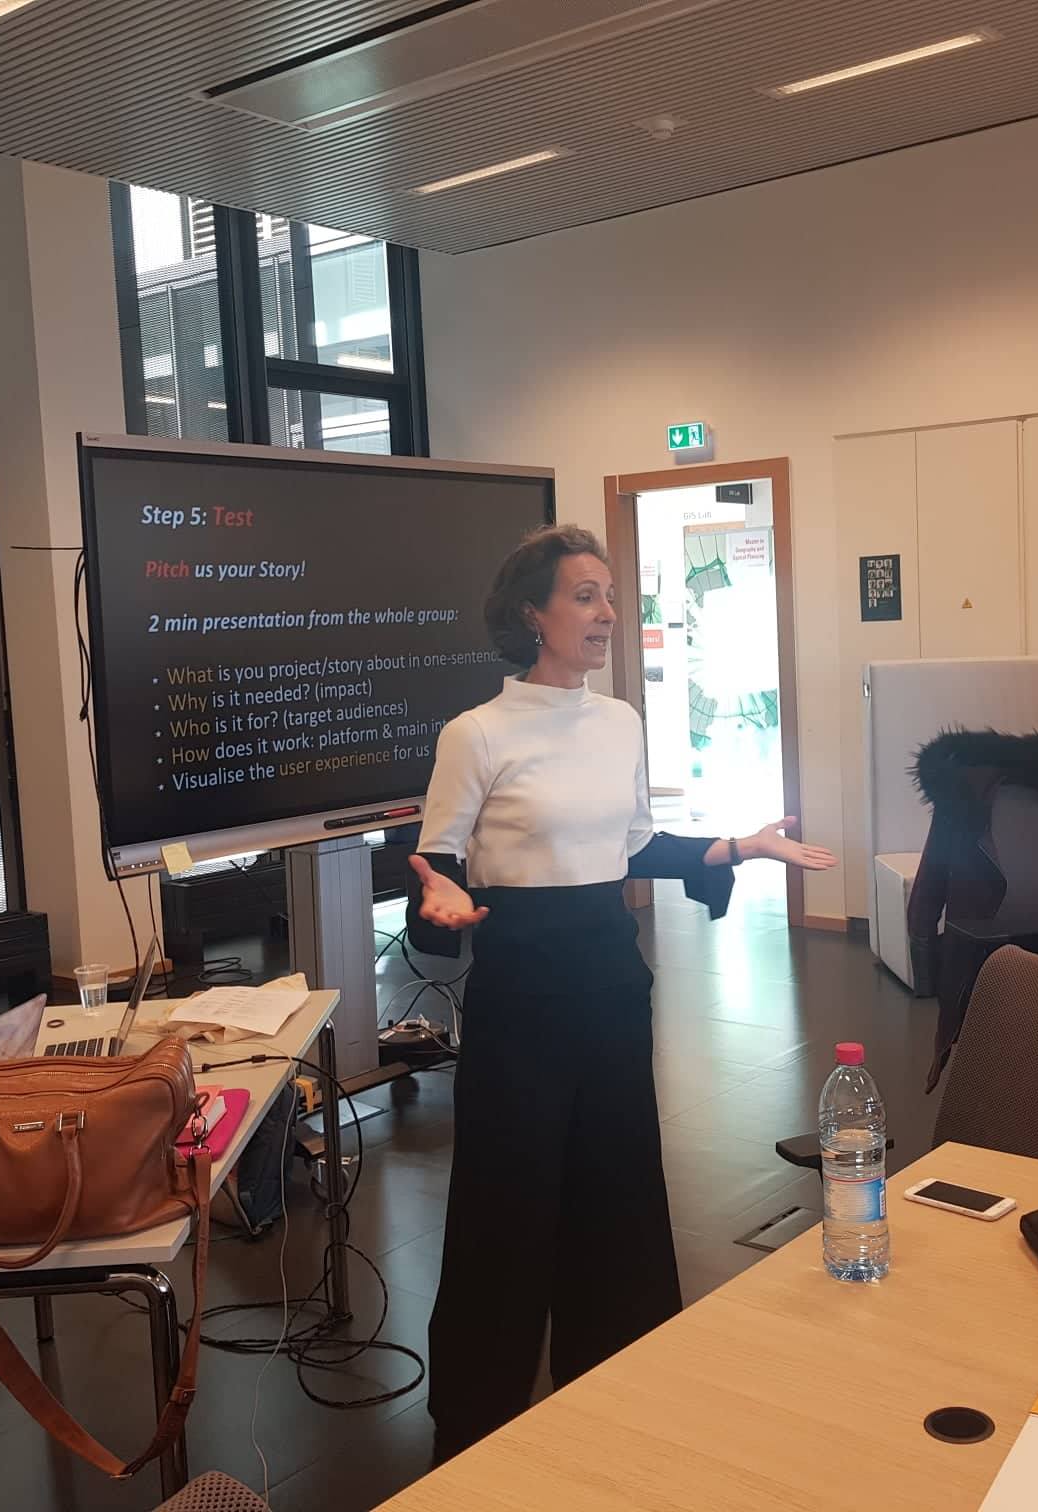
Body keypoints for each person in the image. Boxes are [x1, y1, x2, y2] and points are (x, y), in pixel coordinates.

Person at [406, 523, 835, 1460]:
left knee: (619, 1194)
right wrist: (439, 901)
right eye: (585, 596)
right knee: (506, 1206)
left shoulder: (620, 722)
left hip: (609, 982)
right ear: (533, 614)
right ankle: (476, 1422)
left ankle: (618, 1392)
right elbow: (438, 864)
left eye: (610, 596)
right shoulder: (475, 734)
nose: (606, 614)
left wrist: (737, 846)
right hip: (521, 995)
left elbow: (635, 846)